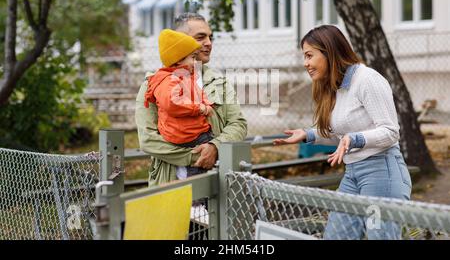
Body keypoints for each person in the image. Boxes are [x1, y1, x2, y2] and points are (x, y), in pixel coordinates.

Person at [273, 25, 412, 240]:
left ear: (328, 51)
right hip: (353, 174)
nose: (305, 64)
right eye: (304, 57)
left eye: (309, 56)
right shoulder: (335, 87)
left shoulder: (367, 79)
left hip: (382, 172)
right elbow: (342, 135)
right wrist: (308, 135)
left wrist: (354, 139)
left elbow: (391, 132)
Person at [135, 13, 247, 187]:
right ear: (179, 42)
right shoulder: (154, 84)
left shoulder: (220, 81)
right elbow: (148, 139)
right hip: (170, 181)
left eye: (211, 37)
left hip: (219, 182)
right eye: (201, 37)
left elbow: (238, 124)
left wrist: (215, 146)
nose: (209, 43)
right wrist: (196, 156)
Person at [143, 29, 214, 176]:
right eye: (193, 57)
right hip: (187, 135)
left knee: (212, 155)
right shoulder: (167, 80)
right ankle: (198, 196)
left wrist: (206, 104)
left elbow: (198, 94)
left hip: (194, 132)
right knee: (198, 169)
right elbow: (172, 103)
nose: (196, 61)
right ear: (179, 60)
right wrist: (199, 109)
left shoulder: (185, 76)